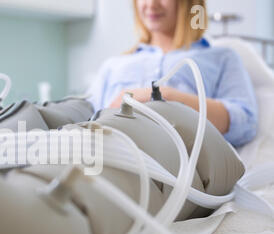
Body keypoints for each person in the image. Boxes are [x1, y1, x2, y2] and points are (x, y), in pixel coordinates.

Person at [87, 0, 258, 147]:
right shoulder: (113, 66)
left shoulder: (220, 57)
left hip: (181, 167)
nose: (151, 4)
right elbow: (86, 117)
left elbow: (245, 123)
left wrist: (164, 96)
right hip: (114, 156)